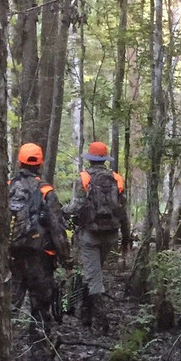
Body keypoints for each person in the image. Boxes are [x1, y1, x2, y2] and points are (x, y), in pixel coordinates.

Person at [8, 143, 72, 342]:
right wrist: (66, 259)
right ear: (40, 164)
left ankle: (1, 346)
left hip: (12, 255)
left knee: (10, 303)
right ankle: (40, 349)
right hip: (40, 258)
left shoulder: (7, 187)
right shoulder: (46, 191)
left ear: (19, 162)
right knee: (42, 304)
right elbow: (58, 229)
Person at [65, 141, 131, 333]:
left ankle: (103, 323)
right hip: (110, 236)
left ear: (90, 159)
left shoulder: (84, 178)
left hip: (89, 237)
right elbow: (122, 211)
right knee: (92, 273)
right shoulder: (117, 179)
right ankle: (85, 315)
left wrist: (61, 211)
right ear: (105, 159)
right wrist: (125, 237)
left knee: (94, 279)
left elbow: (76, 206)